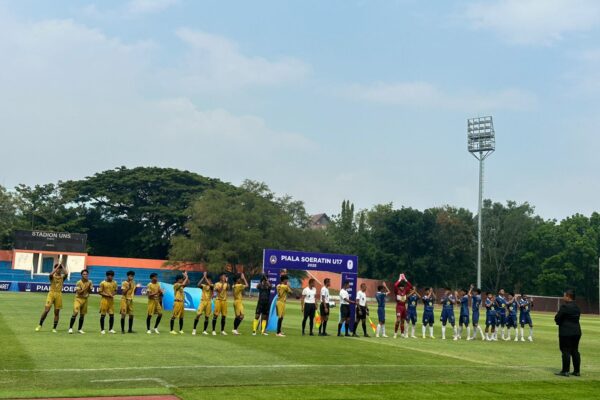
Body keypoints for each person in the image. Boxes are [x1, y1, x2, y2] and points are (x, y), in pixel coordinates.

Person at [554, 290, 582, 377]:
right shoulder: (577, 307)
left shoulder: (565, 307)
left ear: (568, 297)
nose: (563, 297)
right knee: (575, 351)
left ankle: (565, 371)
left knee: (565, 351)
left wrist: (559, 323)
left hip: (566, 332)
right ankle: (577, 371)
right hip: (577, 331)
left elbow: (557, 318)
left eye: (564, 296)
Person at [36, 263, 68, 333]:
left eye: (60, 269)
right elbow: (50, 274)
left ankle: (54, 328)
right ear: (55, 269)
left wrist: (62, 265)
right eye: (57, 268)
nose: (59, 270)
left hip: (59, 294)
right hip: (51, 294)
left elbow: (66, 273)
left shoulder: (62, 277)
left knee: (56, 312)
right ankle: (40, 325)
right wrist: (57, 267)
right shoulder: (52, 276)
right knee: (46, 310)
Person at [69, 269, 92, 334]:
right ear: (81, 275)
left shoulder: (90, 282)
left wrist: (90, 288)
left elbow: (90, 291)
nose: (85, 275)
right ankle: (70, 328)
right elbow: (79, 292)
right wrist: (86, 288)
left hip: (85, 299)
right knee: (75, 312)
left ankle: (79, 329)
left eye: (86, 274)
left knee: (82, 315)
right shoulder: (78, 282)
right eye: (84, 274)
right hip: (78, 299)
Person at [98, 270, 118, 334]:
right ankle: (102, 329)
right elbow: (100, 292)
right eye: (109, 275)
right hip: (104, 301)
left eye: (112, 276)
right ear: (107, 276)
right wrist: (107, 295)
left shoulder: (114, 282)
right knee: (103, 315)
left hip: (111, 301)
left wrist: (113, 294)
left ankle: (110, 329)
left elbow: (116, 291)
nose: (111, 277)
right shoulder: (103, 283)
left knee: (112, 315)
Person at [393, 273, 412, 339]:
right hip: (399, 307)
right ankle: (395, 333)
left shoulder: (405, 291)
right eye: (401, 286)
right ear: (399, 287)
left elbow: (410, 286)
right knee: (398, 320)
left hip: (404, 307)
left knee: (403, 321)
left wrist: (405, 279)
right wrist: (399, 279)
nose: (402, 287)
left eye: (403, 286)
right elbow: (395, 285)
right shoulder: (397, 290)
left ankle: (402, 333)